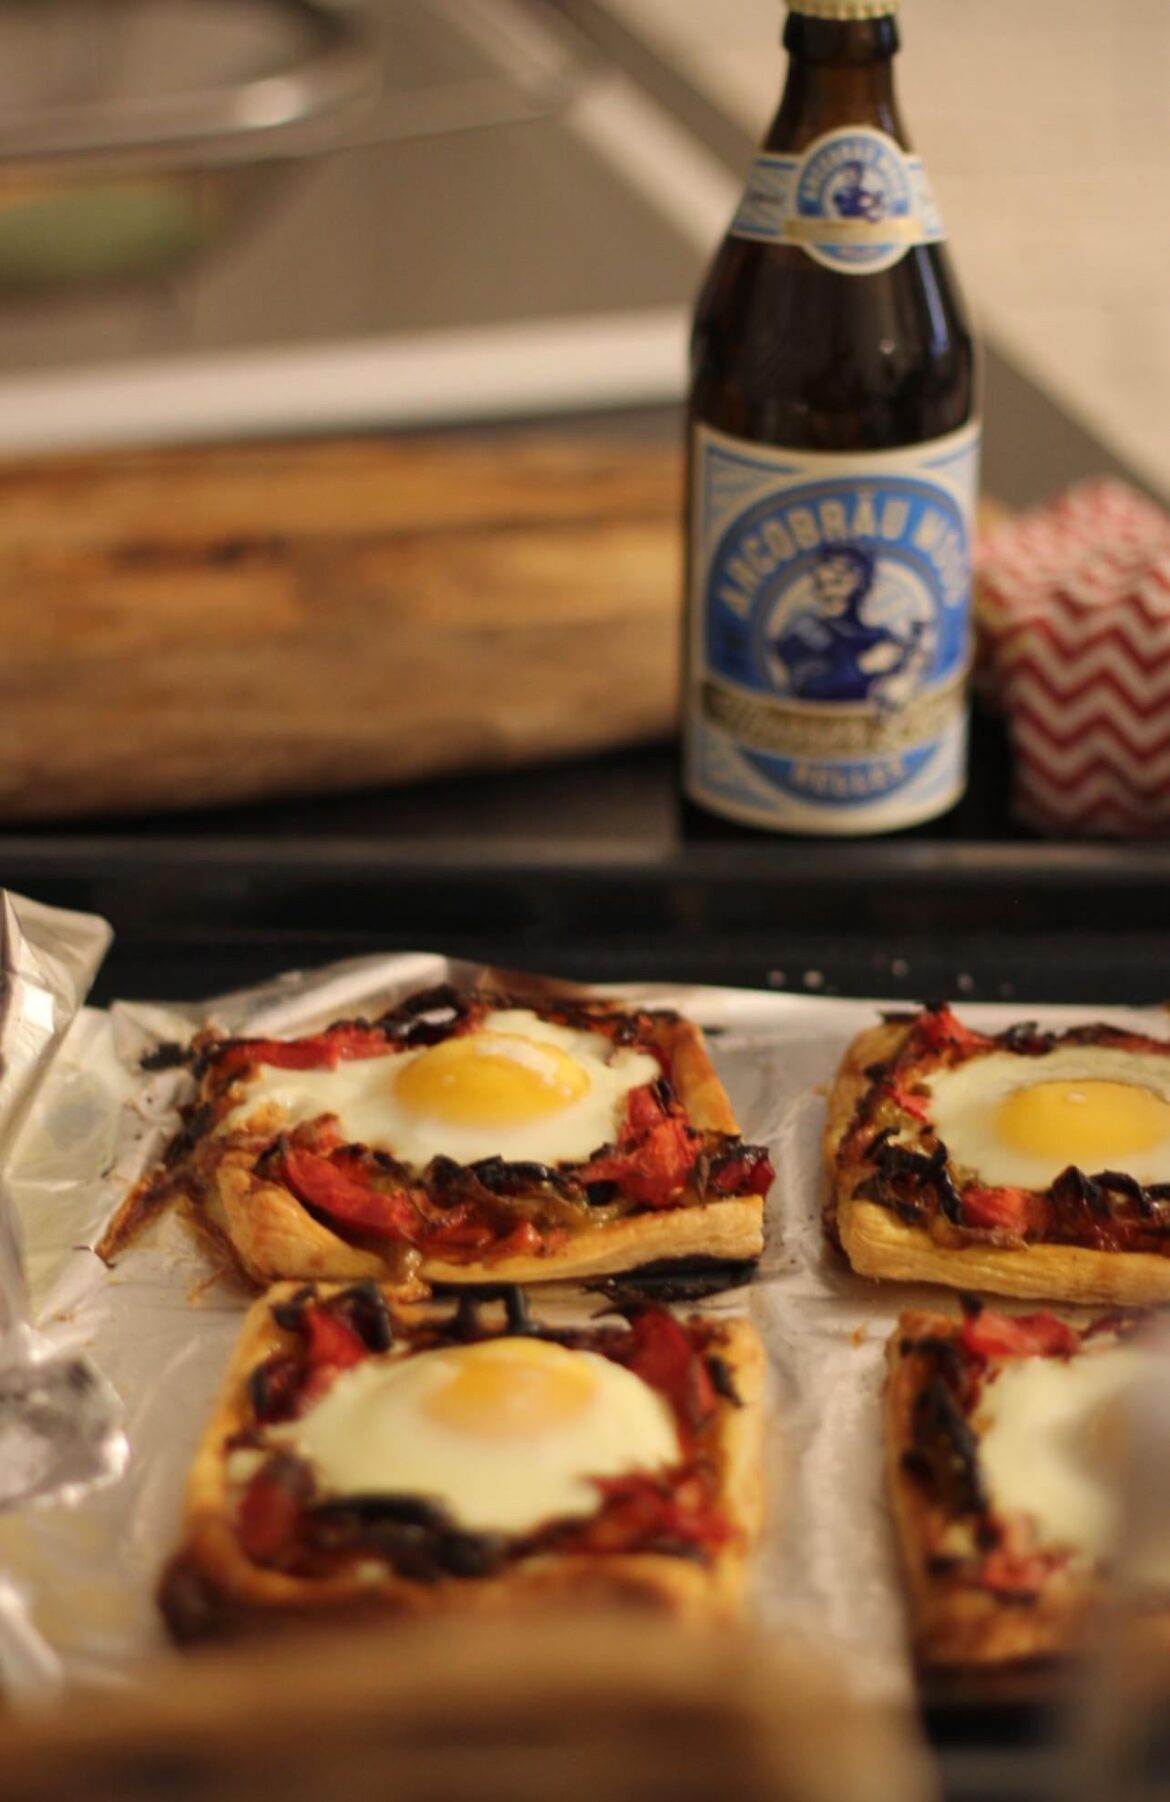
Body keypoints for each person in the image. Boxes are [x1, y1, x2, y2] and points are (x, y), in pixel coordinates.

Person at [769, 545, 927, 707]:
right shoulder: (805, 631)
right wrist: (862, 667)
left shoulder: (878, 635)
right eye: (821, 584)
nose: (829, 592)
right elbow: (804, 689)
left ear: (862, 583)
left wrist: (910, 672)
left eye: (838, 582)